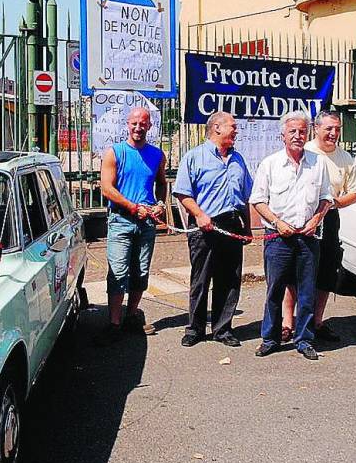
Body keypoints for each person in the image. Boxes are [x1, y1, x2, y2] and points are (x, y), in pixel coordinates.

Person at [250, 111, 332, 361]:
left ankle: (305, 340)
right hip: (278, 238)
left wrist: (316, 220)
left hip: (308, 238)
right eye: (292, 132)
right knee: (274, 291)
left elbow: (326, 199)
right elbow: (258, 200)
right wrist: (277, 222)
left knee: (307, 291)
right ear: (282, 135)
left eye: (302, 131)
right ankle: (270, 339)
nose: (298, 136)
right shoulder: (270, 164)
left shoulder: (318, 164)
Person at [173, 111, 252, 348]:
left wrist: (247, 227)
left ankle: (222, 328)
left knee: (229, 279)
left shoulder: (238, 159)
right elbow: (183, 192)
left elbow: (244, 196)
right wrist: (199, 215)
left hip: (231, 224)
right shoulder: (194, 157)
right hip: (205, 226)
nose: (236, 131)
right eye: (232, 126)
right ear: (216, 128)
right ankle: (195, 328)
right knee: (201, 279)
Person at [281, 111, 356, 343]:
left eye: (337, 129)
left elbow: (354, 193)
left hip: (329, 219)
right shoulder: (306, 153)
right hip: (301, 218)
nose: (334, 133)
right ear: (316, 129)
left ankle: (316, 321)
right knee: (295, 272)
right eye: (329, 129)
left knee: (326, 272)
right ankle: (288, 322)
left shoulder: (345, 158)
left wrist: (332, 203)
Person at [99, 107, 167, 338]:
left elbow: (161, 183)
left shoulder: (157, 155)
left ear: (149, 126)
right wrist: (132, 207)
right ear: (127, 124)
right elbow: (107, 188)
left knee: (141, 271)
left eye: (143, 123)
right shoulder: (114, 153)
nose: (138, 127)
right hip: (121, 221)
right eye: (134, 123)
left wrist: (160, 203)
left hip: (146, 222)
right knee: (118, 272)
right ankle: (114, 323)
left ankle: (132, 316)